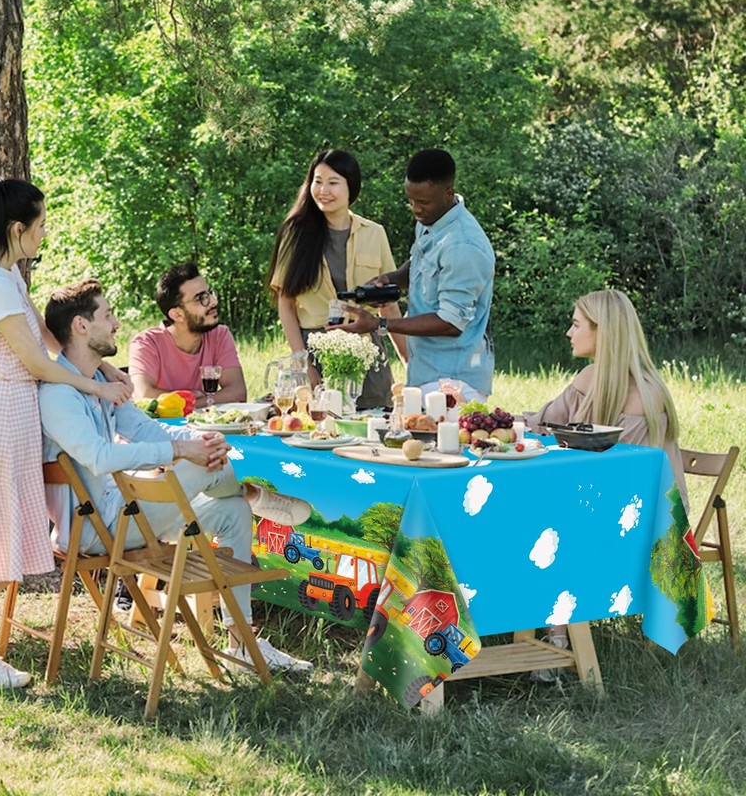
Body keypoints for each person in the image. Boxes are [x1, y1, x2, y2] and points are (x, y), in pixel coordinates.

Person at [39, 279, 313, 673]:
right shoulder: (59, 393)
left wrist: (197, 437)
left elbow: (148, 429)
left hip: (125, 515)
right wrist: (182, 451)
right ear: (81, 326)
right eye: (108, 315)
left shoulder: (99, 382)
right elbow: (98, 457)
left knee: (232, 511)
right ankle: (255, 491)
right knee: (196, 465)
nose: (117, 324)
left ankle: (242, 644)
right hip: (98, 530)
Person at [0, 174, 131, 689]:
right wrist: (95, 391)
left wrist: (104, 369)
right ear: (16, 229)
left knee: (1, 536)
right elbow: (35, 361)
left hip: (13, 415)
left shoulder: (11, 282)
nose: (45, 233)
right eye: (41, 225)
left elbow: (50, 343)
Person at [524, 288, 688, 676]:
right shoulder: (591, 377)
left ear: (603, 333)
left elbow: (620, 482)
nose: (569, 332)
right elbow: (543, 423)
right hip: (597, 505)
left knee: (541, 522)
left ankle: (555, 643)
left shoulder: (647, 396)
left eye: (577, 324)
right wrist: (484, 417)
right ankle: (513, 624)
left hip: (641, 522)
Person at [336, 148, 495, 402]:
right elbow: (419, 265)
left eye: (423, 203)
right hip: (426, 371)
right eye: (411, 201)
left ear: (448, 193)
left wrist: (380, 325)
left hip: (453, 380)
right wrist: (390, 280)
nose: (416, 210)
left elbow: (450, 323)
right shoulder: (431, 220)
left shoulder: (463, 245)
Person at [267, 149, 407, 410]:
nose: (323, 190)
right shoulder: (295, 233)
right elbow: (286, 305)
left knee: (371, 431)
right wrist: (304, 366)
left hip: (366, 353)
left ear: (351, 187)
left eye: (333, 183)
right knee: (317, 432)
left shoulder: (374, 233)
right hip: (315, 349)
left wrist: (410, 362)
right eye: (317, 182)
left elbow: (388, 305)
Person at [129, 263, 247, 405]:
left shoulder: (219, 335)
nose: (213, 302)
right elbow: (144, 395)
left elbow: (237, 392)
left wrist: (190, 403)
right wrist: (191, 398)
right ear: (177, 315)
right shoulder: (146, 343)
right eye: (200, 298)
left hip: (204, 426)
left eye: (209, 293)